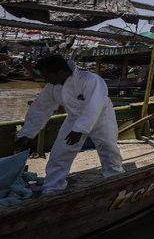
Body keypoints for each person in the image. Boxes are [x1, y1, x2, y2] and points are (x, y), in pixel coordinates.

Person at [14, 55, 124, 194]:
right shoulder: (53, 87)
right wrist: (27, 133)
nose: (45, 79)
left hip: (101, 117)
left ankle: (116, 178)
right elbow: (40, 109)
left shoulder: (90, 80)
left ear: (60, 72)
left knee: (109, 149)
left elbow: (94, 106)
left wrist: (80, 129)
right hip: (73, 119)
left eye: (47, 75)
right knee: (60, 153)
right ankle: (53, 186)